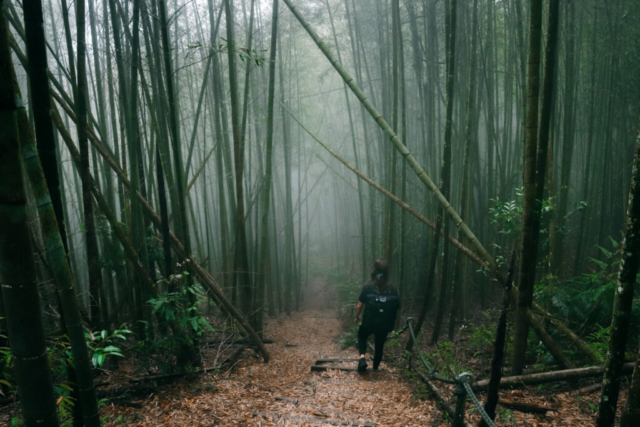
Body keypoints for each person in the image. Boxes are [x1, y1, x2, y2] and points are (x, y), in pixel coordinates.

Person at [354, 259, 400, 373]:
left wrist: (357, 316)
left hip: (369, 320)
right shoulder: (392, 287)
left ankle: (362, 359)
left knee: (362, 336)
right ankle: (375, 367)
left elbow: (360, 304)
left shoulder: (368, 285)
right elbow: (397, 306)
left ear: (374, 271)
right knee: (380, 343)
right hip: (385, 322)